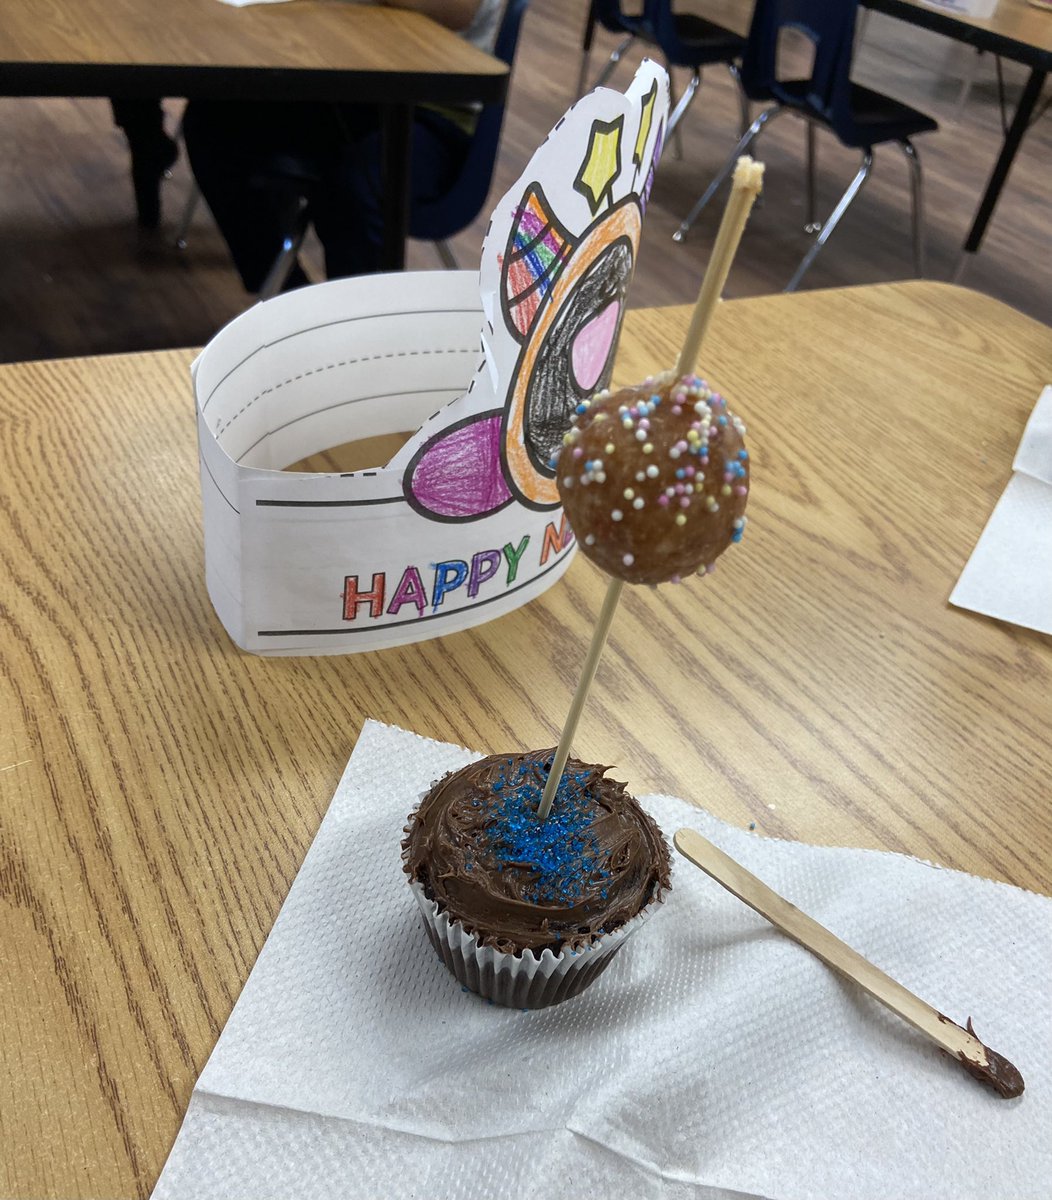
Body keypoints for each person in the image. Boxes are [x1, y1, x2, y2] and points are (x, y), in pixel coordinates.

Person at [182, 0, 505, 293]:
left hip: (431, 110)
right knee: (213, 121)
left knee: (357, 184)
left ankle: (362, 333)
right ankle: (290, 302)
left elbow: (460, 9)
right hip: (347, 88)